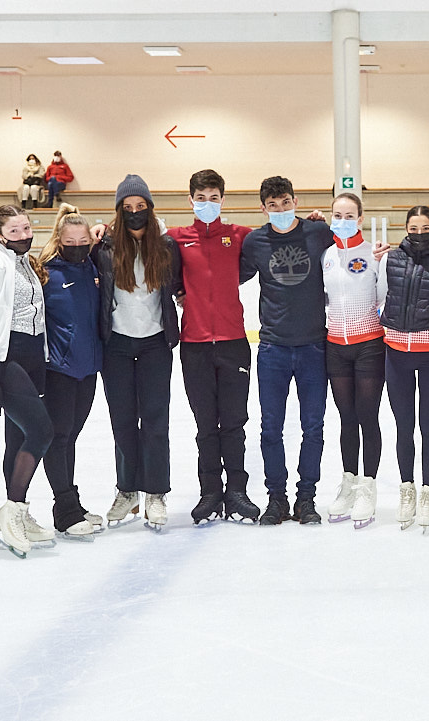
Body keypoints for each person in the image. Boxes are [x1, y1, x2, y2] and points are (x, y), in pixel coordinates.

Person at [240, 176, 334, 527]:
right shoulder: (255, 242)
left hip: (313, 346)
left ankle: (306, 498)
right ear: (263, 208)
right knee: (270, 428)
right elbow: (227, 274)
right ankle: (276, 498)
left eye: (286, 203)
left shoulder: (317, 233)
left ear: (295, 201)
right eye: (273, 205)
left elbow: (347, 249)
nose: (280, 210)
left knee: (313, 427)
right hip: (273, 349)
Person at [168, 169, 259, 525]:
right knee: (206, 425)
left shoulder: (239, 236)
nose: (208, 204)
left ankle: (237, 491)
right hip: (194, 345)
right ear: (190, 200)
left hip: (234, 342)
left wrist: (311, 221)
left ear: (223, 199)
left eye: (214, 198)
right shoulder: (175, 238)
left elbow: (279, 239)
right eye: (201, 198)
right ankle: (209, 492)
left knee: (235, 422)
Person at [94, 174, 181, 531]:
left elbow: (179, 286)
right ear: (119, 210)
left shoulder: (166, 246)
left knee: (156, 422)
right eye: (127, 208)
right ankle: (127, 489)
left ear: (149, 207)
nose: (134, 213)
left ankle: (156, 493)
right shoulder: (104, 247)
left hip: (155, 344)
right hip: (115, 344)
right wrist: (98, 228)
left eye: (140, 206)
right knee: (123, 422)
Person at [0, 205, 55, 557]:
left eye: (27, 228)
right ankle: (13, 512)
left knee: (17, 436)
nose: (24, 235)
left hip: (35, 354)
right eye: (15, 231)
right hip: (7, 358)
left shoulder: (26, 263)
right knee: (42, 431)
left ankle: (13, 510)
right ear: (0, 234)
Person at [378, 205, 429, 532]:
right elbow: (379, 297)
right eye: (414, 227)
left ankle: (428, 491)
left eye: (426, 227)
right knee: (403, 425)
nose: (420, 233)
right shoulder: (390, 259)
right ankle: (407, 488)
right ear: (406, 228)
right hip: (396, 353)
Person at [38, 204, 103, 538]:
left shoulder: (93, 266)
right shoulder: (46, 272)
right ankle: (64, 509)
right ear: (59, 239)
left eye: (83, 238)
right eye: (70, 239)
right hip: (58, 370)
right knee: (58, 438)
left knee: (71, 437)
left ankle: (72, 504)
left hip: (89, 369)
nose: (78, 244)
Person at [322, 192, 385, 530]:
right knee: (346, 419)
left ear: (360, 219)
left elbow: (385, 298)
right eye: (337, 215)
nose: (343, 221)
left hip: (369, 346)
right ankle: (348, 483)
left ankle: (368, 487)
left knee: (367, 416)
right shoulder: (327, 256)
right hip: (336, 347)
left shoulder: (375, 254)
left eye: (349, 216)